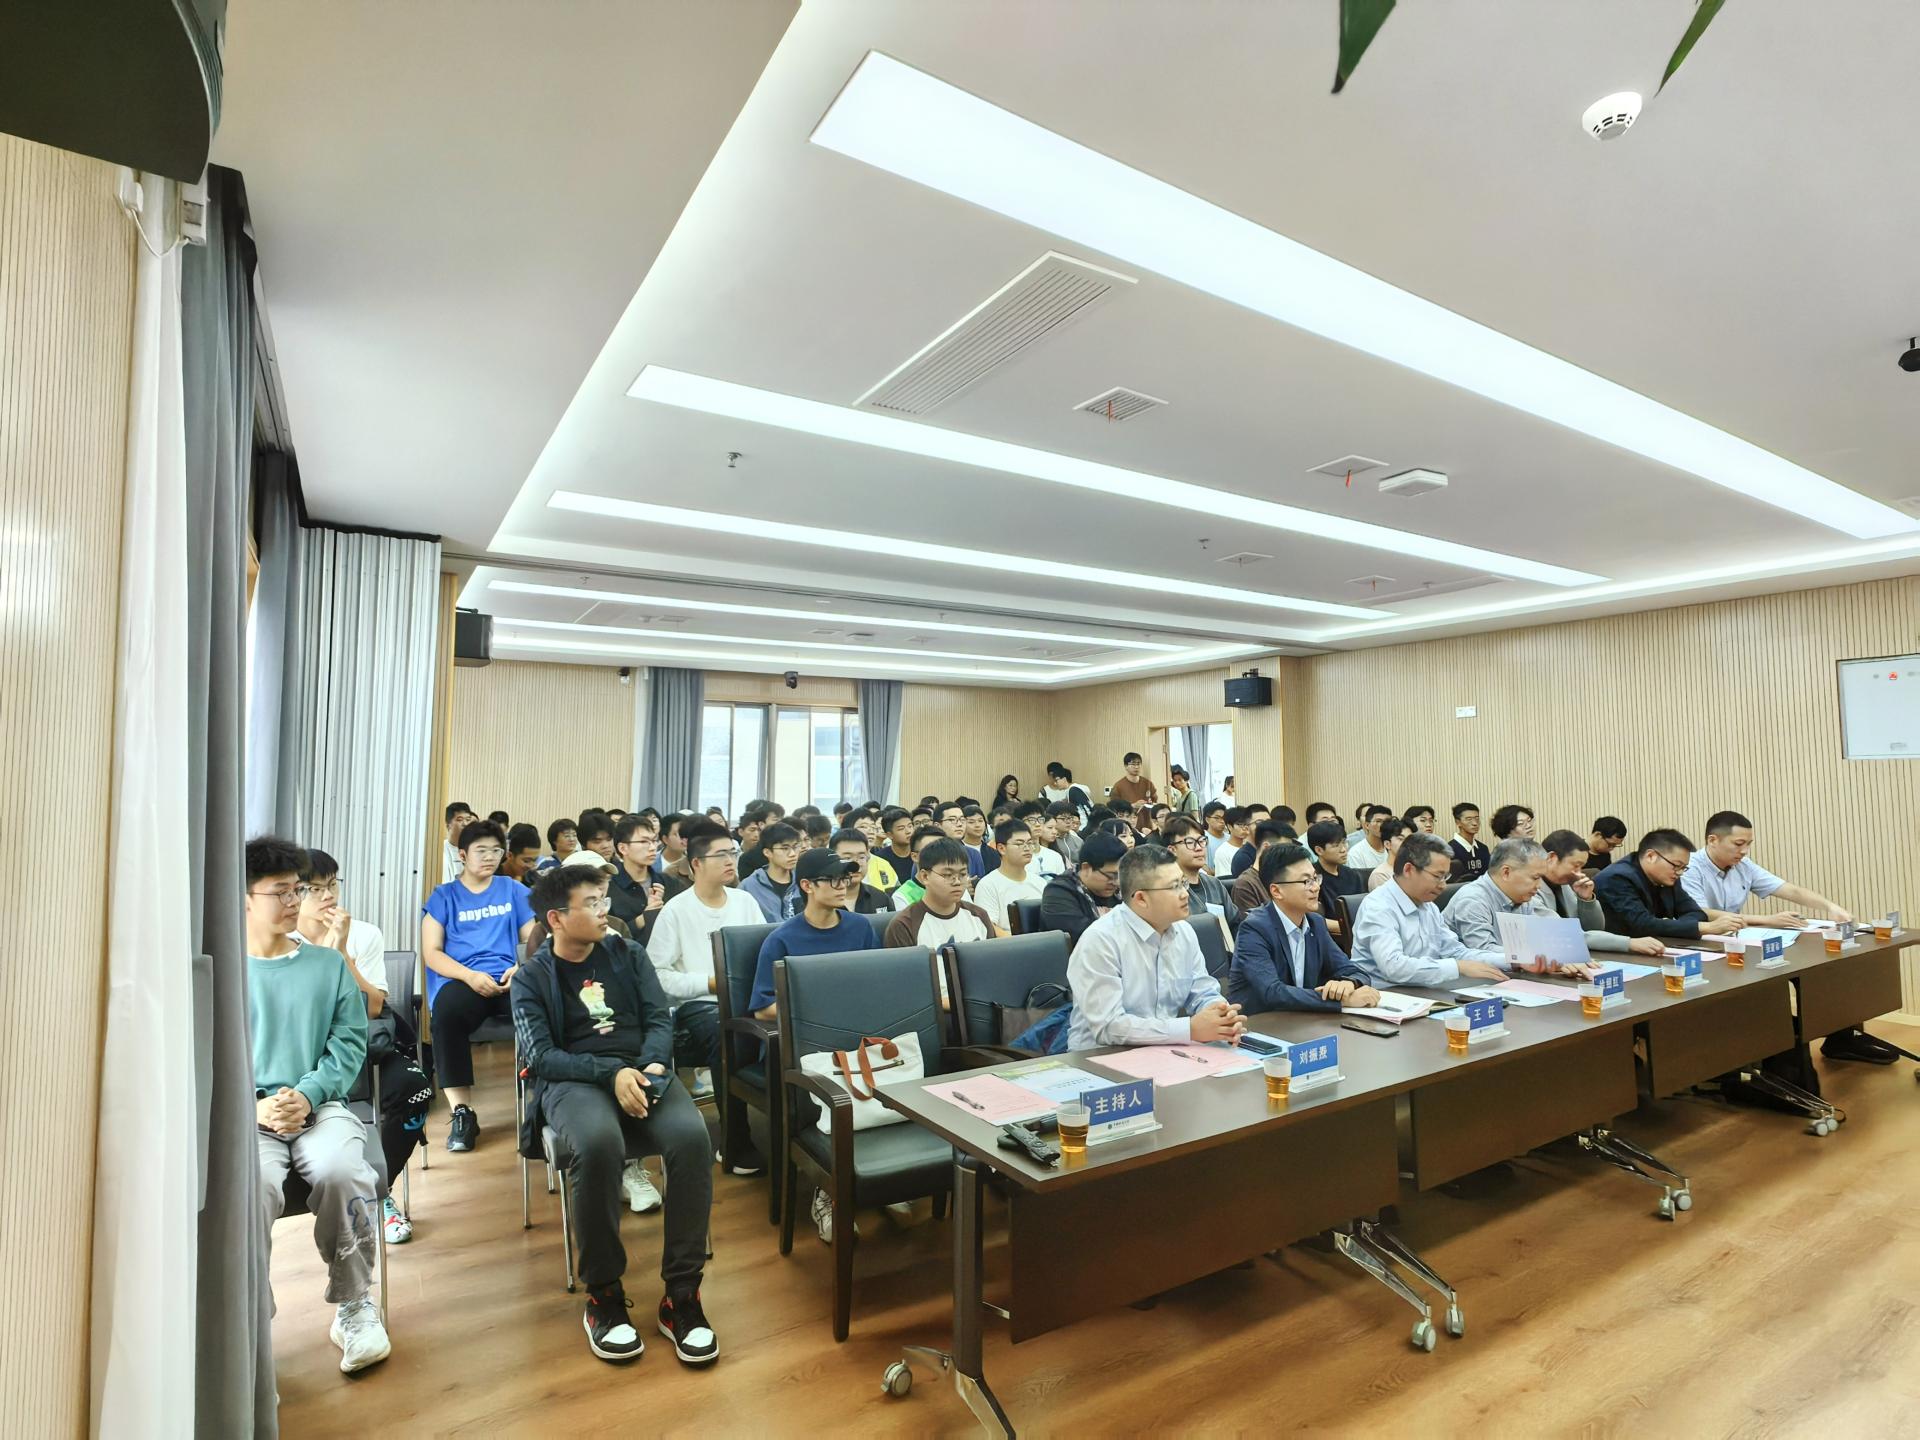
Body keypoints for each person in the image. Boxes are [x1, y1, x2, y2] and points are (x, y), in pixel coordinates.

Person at [514, 864, 719, 1364]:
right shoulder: (532, 978)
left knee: (692, 1138)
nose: (604, 911)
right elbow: (541, 1058)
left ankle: (682, 1294)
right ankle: (603, 1296)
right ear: (556, 918)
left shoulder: (627, 953)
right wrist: (611, 1074)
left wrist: (651, 1064)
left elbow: (658, 1018)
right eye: (591, 903)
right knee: (599, 1144)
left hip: (644, 1071)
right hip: (575, 1081)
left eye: (604, 900)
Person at [246, 835, 391, 1373]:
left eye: (298, 890)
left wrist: (306, 1095)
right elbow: (202, 1058)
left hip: (321, 1106)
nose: (294, 900)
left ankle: (354, 1304)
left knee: (341, 1171)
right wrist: (254, 1107)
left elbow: (348, 1045)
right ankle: (248, 1321)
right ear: (243, 898)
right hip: (247, 1116)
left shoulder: (327, 966)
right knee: (251, 1186)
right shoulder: (220, 970)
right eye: (280, 892)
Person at [296, 849, 428, 1244]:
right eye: (314, 889)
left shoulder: (364, 934)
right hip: (304, 1054)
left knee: (415, 1088)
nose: (328, 896)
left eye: (332, 885)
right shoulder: (280, 939)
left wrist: (339, 953)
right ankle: (351, 1193)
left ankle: (377, 1191)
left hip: (357, 1047)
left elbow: (372, 1007)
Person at [645, 826, 769, 1175]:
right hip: (700, 1006)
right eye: (721, 855)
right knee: (725, 1033)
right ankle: (734, 1142)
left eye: (733, 853)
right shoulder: (677, 910)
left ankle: (792, 1127)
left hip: (746, 1001)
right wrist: (711, 983)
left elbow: (762, 953)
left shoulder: (745, 902)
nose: (731, 860)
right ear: (696, 863)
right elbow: (657, 975)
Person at [421, 819, 538, 1151]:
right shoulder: (444, 896)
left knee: (541, 1006)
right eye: (481, 850)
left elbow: (532, 940)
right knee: (446, 1016)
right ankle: (462, 1112)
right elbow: (432, 952)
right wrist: (469, 976)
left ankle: (545, 1098)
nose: (489, 857)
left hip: (509, 975)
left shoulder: (513, 890)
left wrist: (521, 967)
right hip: (464, 979)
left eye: (496, 851)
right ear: (462, 854)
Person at [1067, 845, 1245, 1049]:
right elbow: (1110, 1027)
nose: (1185, 894)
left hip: (1165, 1050)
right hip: (1099, 1056)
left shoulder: (1184, 932)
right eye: (1174, 887)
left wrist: (1220, 1015)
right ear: (1141, 898)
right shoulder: (1101, 940)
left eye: (1183, 883)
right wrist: (1189, 1029)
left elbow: (1202, 991)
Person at [1227, 843, 1382, 1013]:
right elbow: (1273, 992)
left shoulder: (1315, 923)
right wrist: (1341, 1002)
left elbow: (1353, 970)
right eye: (1306, 881)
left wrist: (1348, 984)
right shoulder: (1254, 928)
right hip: (1258, 1022)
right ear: (1276, 891)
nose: (1316, 887)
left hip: (1302, 1018)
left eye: (1315, 878)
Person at [1350, 833, 1512, 988]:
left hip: (1425, 989)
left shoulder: (1428, 905)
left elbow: (1455, 952)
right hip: (1385, 994)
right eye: (1437, 876)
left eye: (1445, 877)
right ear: (1408, 870)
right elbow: (1394, 967)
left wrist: (1511, 960)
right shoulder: (1379, 906)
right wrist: (1457, 967)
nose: (1443, 885)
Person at [749, 850, 879, 1021]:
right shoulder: (781, 940)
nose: (842, 886)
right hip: (812, 1028)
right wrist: (822, 1010)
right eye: (833, 879)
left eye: (844, 878)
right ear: (807, 886)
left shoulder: (861, 926)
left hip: (861, 1021)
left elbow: (879, 981)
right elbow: (763, 1009)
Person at [1442, 838, 1595, 977]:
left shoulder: (1523, 896)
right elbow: (1484, 950)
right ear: (1506, 872)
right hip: (1467, 982)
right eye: (1535, 878)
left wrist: (1566, 954)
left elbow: (1542, 937)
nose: (1539, 885)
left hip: (1509, 975)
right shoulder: (1472, 899)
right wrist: (1544, 957)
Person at [1681, 810, 1852, 930]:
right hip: (1698, 940)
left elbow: (1791, 891)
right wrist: (1768, 920)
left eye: (1749, 844)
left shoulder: (1744, 865)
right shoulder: (1689, 866)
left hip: (1733, 936)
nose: (1745, 851)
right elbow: (1701, 912)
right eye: (1739, 844)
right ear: (1712, 840)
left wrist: (1830, 907)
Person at [886, 837, 1004, 993]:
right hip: (934, 1006)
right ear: (925, 876)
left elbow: (992, 970)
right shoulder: (904, 925)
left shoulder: (979, 916)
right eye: (948, 875)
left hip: (981, 1001)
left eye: (963, 874)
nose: (957, 882)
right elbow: (908, 990)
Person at [1595, 830, 1742, 942]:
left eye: (1683, 867)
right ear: (1651, 856)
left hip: (1658, 946)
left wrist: (1670, 926)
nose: (1680, 872)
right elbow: (1641, 925)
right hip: (1617, 954)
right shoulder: (1616, 878)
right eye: (1676, 865)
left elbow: (1695, 912)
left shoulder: (1668, 876)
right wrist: (1707, 927)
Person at [1538, 830, 1666, 956]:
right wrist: (1629, 943)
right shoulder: (1531, 890)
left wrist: (1587, 900)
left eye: (1581, 867)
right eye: (1576, 865)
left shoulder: (1564, 885)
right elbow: (1565, 935)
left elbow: (1594, 929)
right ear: (1551, 858)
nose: (1579, 873)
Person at [609, 814, 685, 947]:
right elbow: (608, 937)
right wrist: (643, 918)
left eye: (654, 841)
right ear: (623, 848)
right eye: (644, 842)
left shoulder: (670, 883)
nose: (652, 847)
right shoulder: (609, 888)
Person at [1038, 833, 1125, 947]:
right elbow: (1085, 938)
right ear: (1086, 868)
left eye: (1121, 875)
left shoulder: (1122, 890)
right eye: (1111, 875)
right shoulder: (1058, 893)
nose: (1117, 882)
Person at [1163, 815, 1240, 933]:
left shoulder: (1214, 884)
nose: (1199, 848)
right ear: (1172, 850)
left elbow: (1235, 923)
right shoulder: (1167, 890)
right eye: (1190, 842)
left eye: (1201, 841)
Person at [973, 818, 1049, 928]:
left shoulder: (1040, 883)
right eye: (1019, 844)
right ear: (1001, 848)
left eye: (1030, 843)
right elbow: (989, 927)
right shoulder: (988, 885)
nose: (1027, 848)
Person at [1306, 819, 1369, 937]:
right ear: (1319, 850)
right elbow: (1312, 919)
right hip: (1330, 937)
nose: (1344, 849)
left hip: (1358, 933)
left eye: (1344, 843)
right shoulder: (1312, 879)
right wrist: (1351, 928)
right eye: (1336, 846)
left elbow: (1364, 908)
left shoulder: (1353, 875)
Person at [1229, 820, 1297, 916]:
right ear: (1266, 847)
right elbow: (1253, 923)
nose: (1289, 855)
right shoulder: (1245, 884)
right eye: (1284, 849)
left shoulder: (1286, 877)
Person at [740, 822, 804, 922]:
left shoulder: (804, 881)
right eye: (785, 848)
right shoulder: (749, 886)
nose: (792, 854)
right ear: (767, 852)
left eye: (795, 847)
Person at [829, 828, 894, 913]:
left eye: (861, 857)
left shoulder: (881, 899)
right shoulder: (820, 900)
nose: (856, 864)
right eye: (847, 858)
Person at [1446, 802, 1490, 882]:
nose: (1475, 823)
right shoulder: (1448, 850)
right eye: (1469, 819)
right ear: (1458, 822)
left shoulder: (1483, 848)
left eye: (1477, 818)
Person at [1365, 817, 1409, 891]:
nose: (1408, 843)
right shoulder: (1380, 875)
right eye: (1401, 839)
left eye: (1410, 839)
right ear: (1387, 844)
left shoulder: (1416, 869)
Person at [1347, 806, 1393, 871]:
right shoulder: (1356, 853)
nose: (1383, 825)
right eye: (1378, 821)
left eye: (1387, 822)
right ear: (1367, 825)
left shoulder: (1394, 848)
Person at [879, 806, 917, 884]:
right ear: (889, 835)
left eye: (910, 826)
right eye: (901, 828)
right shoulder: (881, 859)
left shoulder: (920, 854)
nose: (908, 831)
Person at [442, 801, 476, 882]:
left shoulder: (474, 850)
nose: (465, 824)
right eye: (460, 820)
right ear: (448, 825)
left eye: (468, 820)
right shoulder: (440, 850)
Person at [1212, 805, 1251, 876]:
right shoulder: (1223, 851)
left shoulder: (1252, 847)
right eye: (1240, 824)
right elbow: (1225, 879)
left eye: (1247, 824)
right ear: (1229, 827)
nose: (1244, 828)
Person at [1048, 801, 1085, 868]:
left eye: (1070, 818)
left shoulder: (1078, 840)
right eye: (1063, 818)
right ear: (1052, 819)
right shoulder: (1048, 840)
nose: (1068, 821)